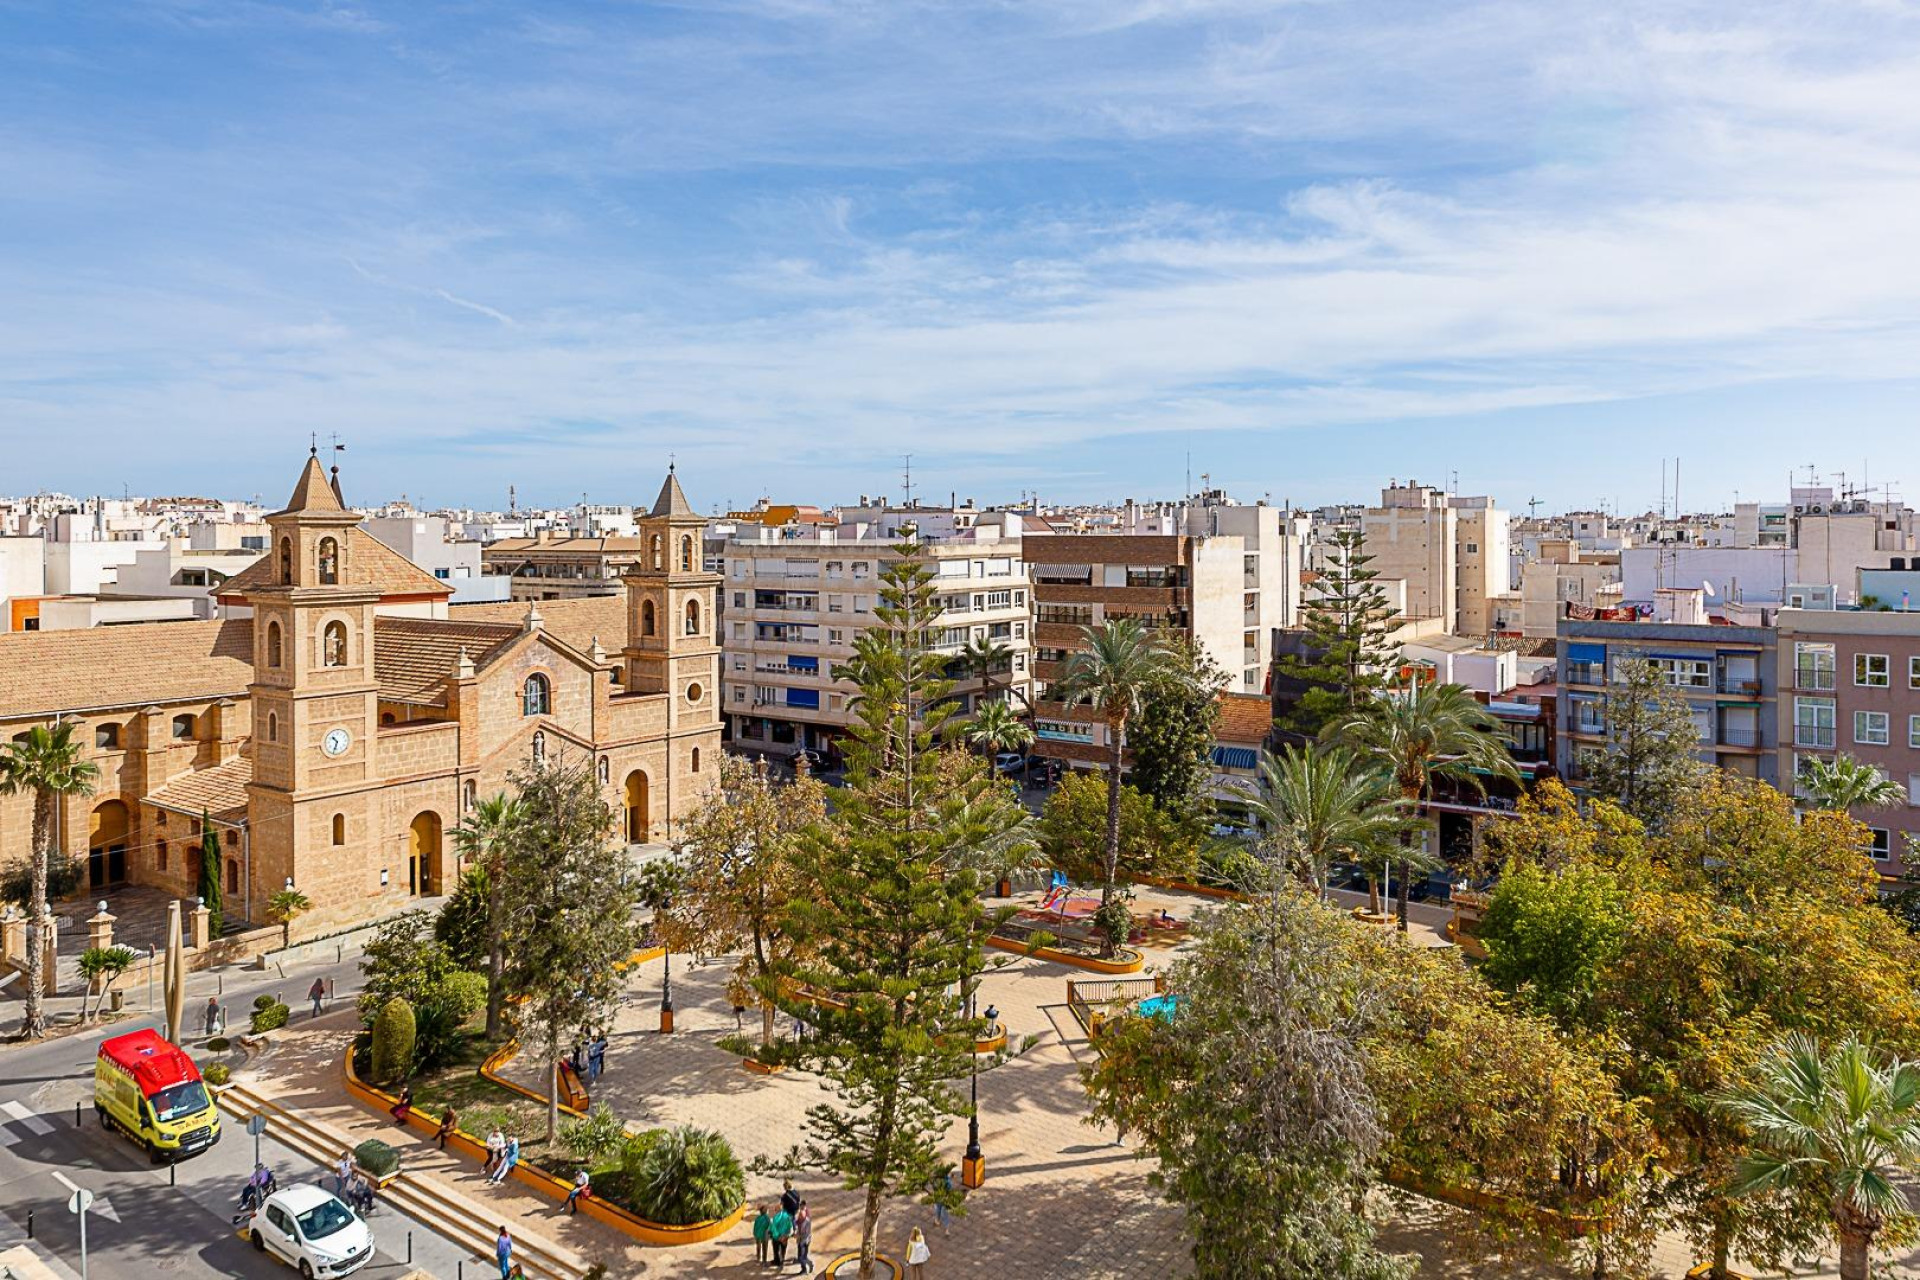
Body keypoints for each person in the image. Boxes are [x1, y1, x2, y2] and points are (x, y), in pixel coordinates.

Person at [770, 1202, 793, 1269]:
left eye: (775, 1209)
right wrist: (787, 1235)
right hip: (785, 1238)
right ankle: (781, 1261)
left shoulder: (775, 1218)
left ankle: (776, 1261)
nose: (774, 1210)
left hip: (776, 1238)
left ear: (778, 1210)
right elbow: (790, 1227)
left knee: (776, 1250)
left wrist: (779, 1237)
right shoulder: (787, 1216)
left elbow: (774, 1228)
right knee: (783, 1250)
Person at [793, 1200, 812, 1274]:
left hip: (804, 1240)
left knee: (802, 1256)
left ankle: (805, 1268)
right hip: (800, 1240)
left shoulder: (807, 1221)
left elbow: (806, 1234)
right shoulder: (800, 1219)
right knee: (800, 1254)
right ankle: (801, 1261)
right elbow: (796, 1223)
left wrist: (798, 1235)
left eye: (800, 1216)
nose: (799, 1217)